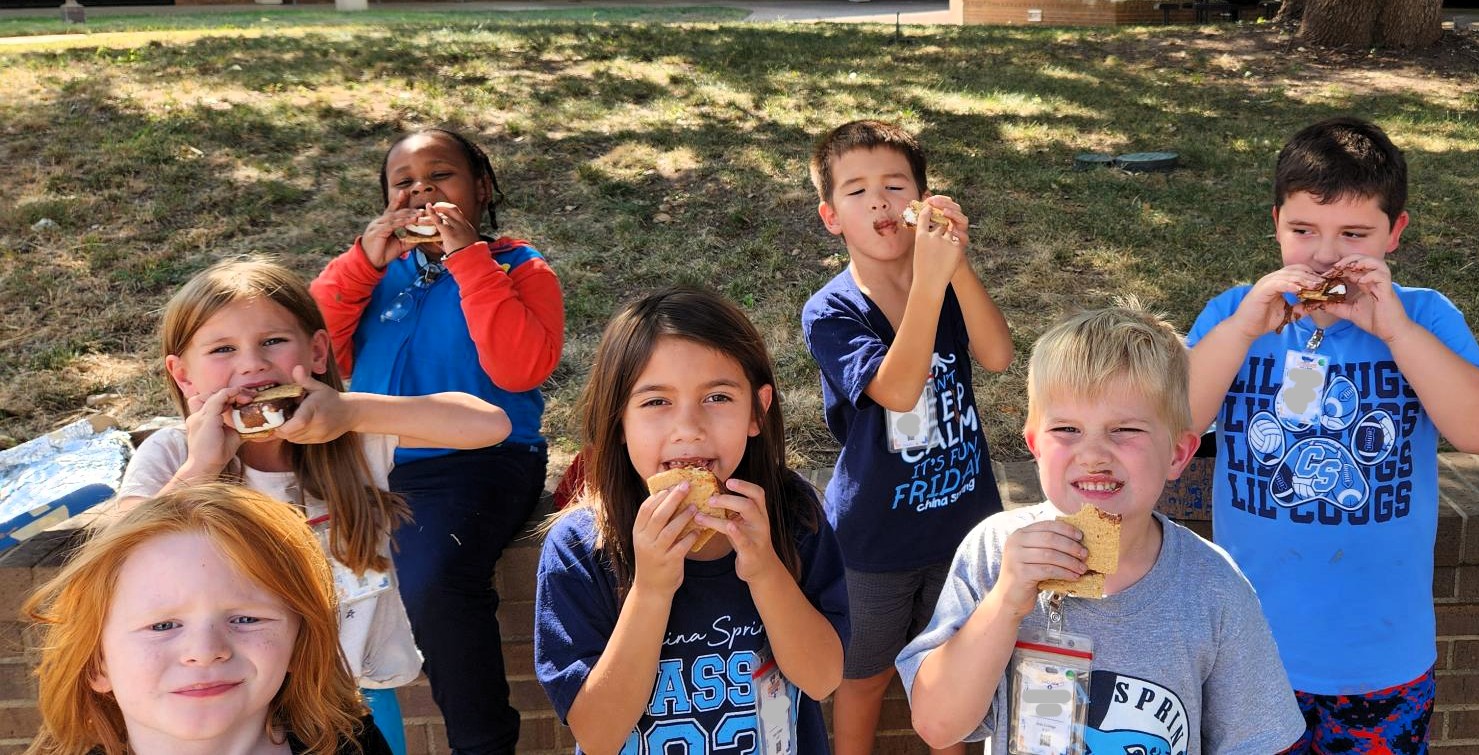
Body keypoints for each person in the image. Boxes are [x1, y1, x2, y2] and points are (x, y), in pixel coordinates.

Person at [1185, 116, 1479, 752]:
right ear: (1275, 221)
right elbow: (1177, 424)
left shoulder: (1423, 316)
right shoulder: (1235, 313)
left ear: (1395, 233)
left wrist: (1396, 332)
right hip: (1245, 648)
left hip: (1379, 658)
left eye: (1353, 234)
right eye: (1303, 230)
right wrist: (1241, 331)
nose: (1323, 254)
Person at [117, 257, 510, 751]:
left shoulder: (352, 436)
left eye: (273, 341)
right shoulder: (174, 453)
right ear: (184, 376)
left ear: (318, 351)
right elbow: (115, 562)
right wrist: (200, 471)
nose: (252, 363)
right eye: (222, 349)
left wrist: (351, 410)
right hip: (236, 704)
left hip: (356, 698)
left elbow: (489, 424)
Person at [898, 307, 1303, 754]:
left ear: (1178, 453)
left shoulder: (1214, 587)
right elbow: (937, 725)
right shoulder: (995, 552)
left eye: (1124, 430)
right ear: (1034, 445)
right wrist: (1007, 601)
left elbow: (1258, 741)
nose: (1093, 454)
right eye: (1067, 429)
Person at [311, 127, 564, 754]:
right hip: (366, 460)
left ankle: (482, 744)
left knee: (434, 577)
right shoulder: (374, 276)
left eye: (440, 175)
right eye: (404, 182)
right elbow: (310, 351)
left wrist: (469, 261)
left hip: (479, 460)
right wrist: (360, 265)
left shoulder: (519, 268)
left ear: (481, 188)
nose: (421, 189)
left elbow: (520, 368)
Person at [534, 287, 848, 754]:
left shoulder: (790, 514)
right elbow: (597, 734)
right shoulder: (580, 547)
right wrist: (651, 590)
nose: (689, 427)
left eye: (718, 396)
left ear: (756, 412)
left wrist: (765, 570)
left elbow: (822, 679)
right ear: (618, 421)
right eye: (656, 402)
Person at [799, 119, 1012, 755]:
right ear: (831, 216)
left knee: (949, 687)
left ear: (920, 200)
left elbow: (998, 355)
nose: (879, 202)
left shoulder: (944, 283)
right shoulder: (831, 310)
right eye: (857, 190)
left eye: (895, 186)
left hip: (963, 532)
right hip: (871, 541)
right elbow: (898, 391)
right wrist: (930, 279)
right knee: (862, 682)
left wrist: (957, 265)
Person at [24, 483, 396, 755]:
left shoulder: (350, 745)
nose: (205, 651)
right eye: (163, 625)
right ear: (97, 663)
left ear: (300, 643)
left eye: (248, 619)